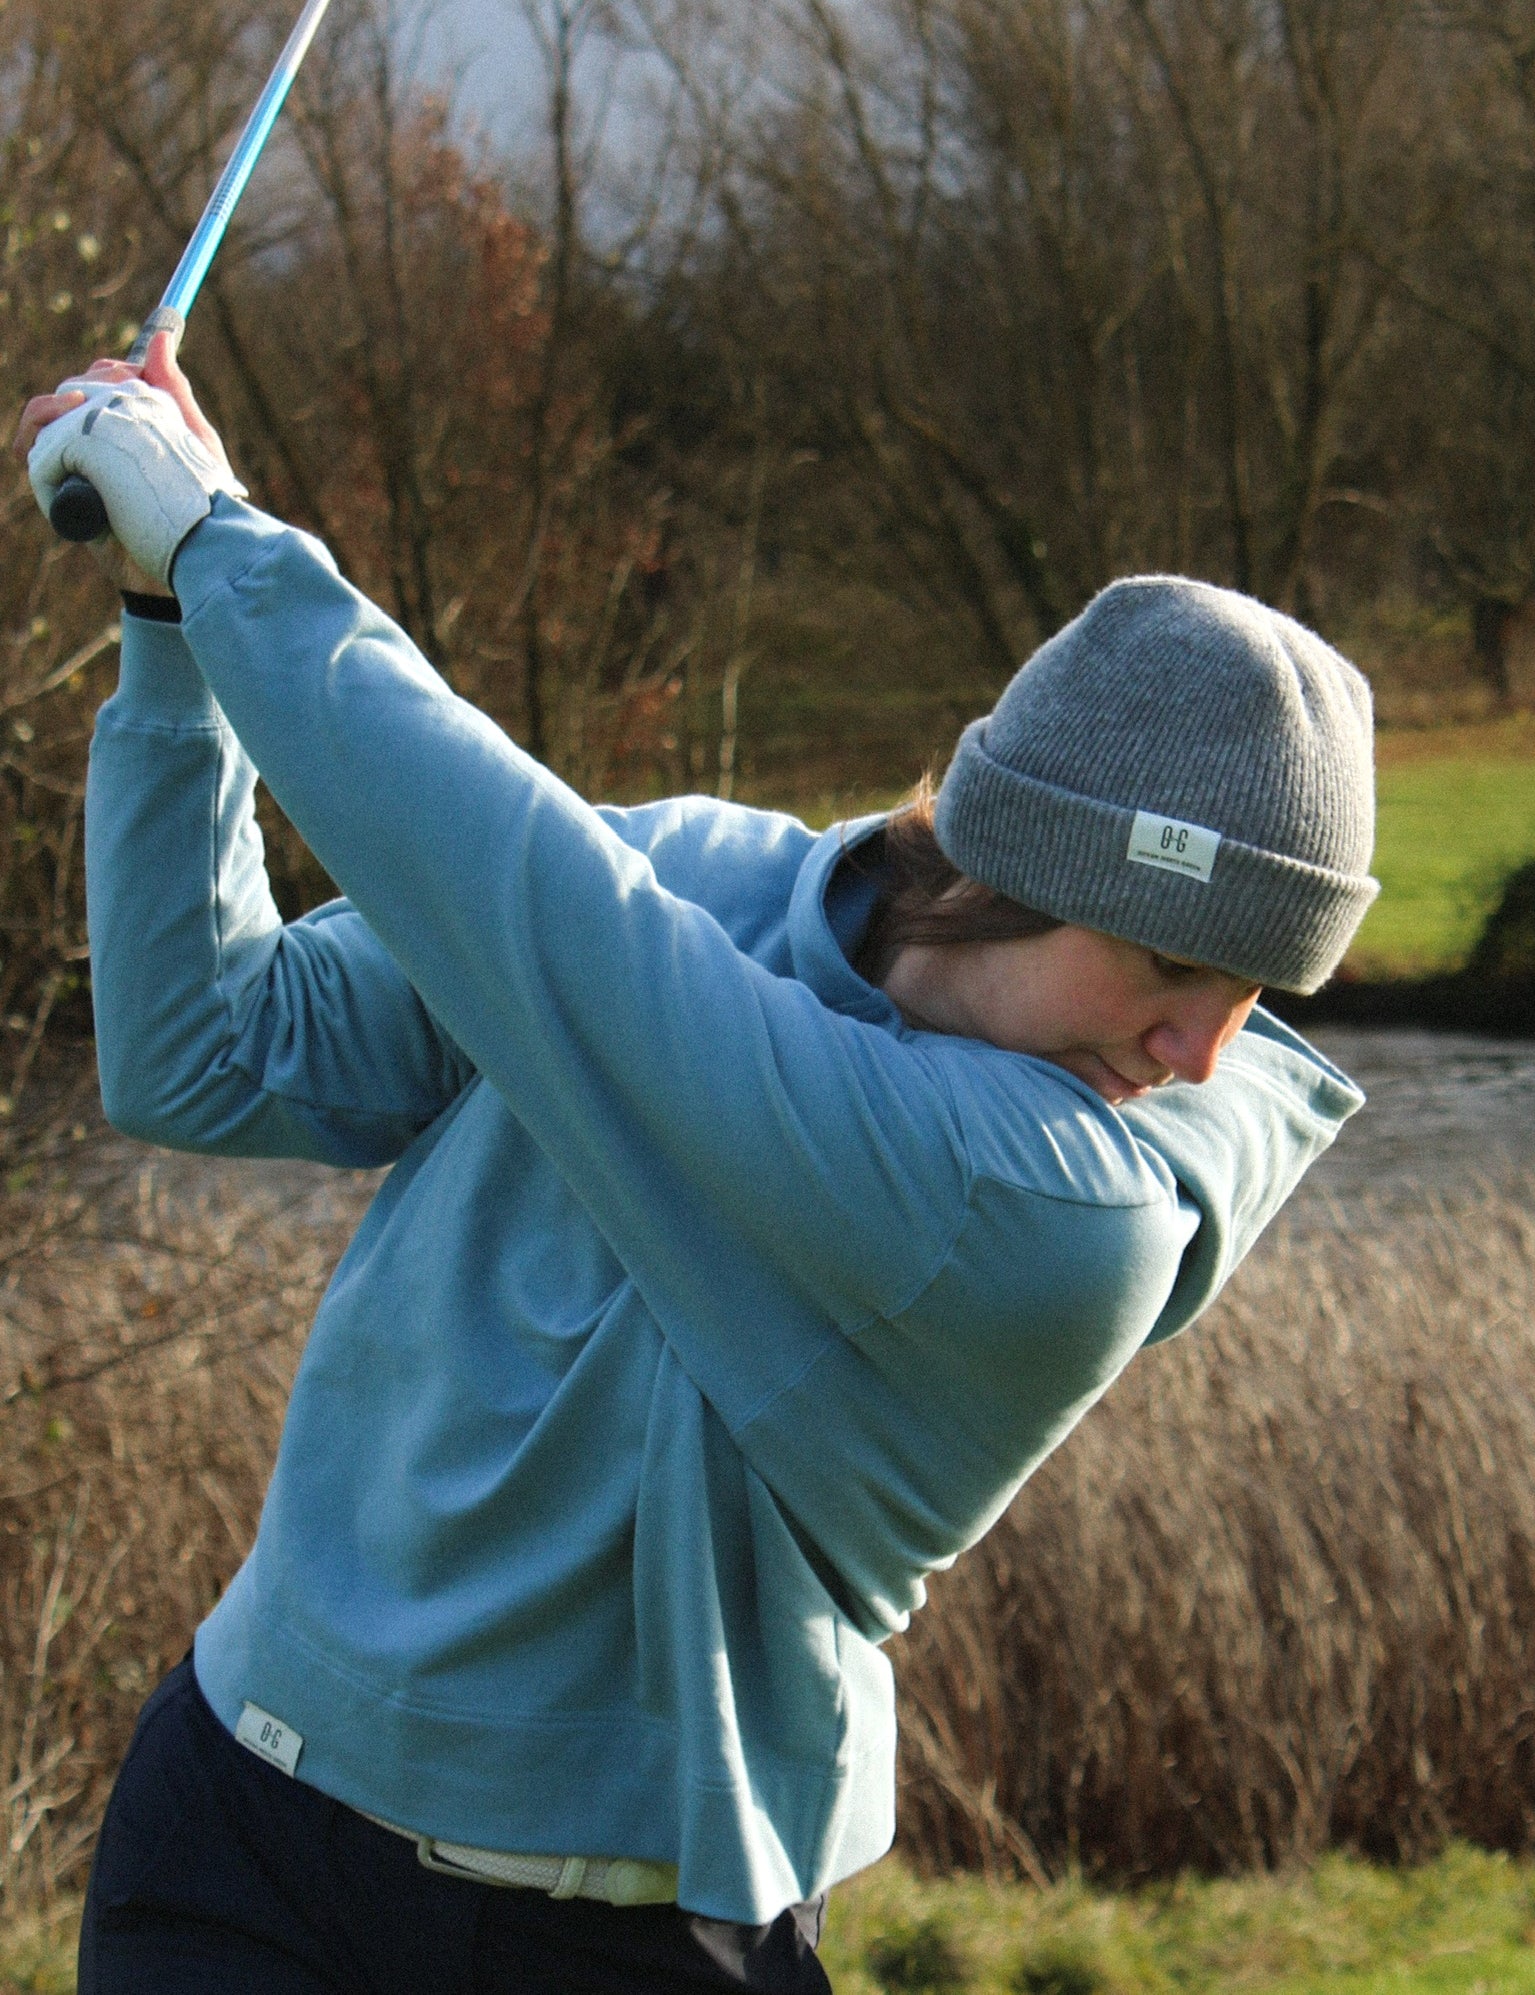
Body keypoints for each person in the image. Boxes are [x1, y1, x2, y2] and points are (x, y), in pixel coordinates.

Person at [17, 342, 1375, 1995]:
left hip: (620, 1940)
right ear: (1027, 867)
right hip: (239, 1820)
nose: (1203, 1055)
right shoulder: (695, 872)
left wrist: (224, 549)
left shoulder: (1070, 1212)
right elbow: (205, 1048)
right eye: (1176, 973)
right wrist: (170, 632)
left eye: (1254, 1001)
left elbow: (552, 924)